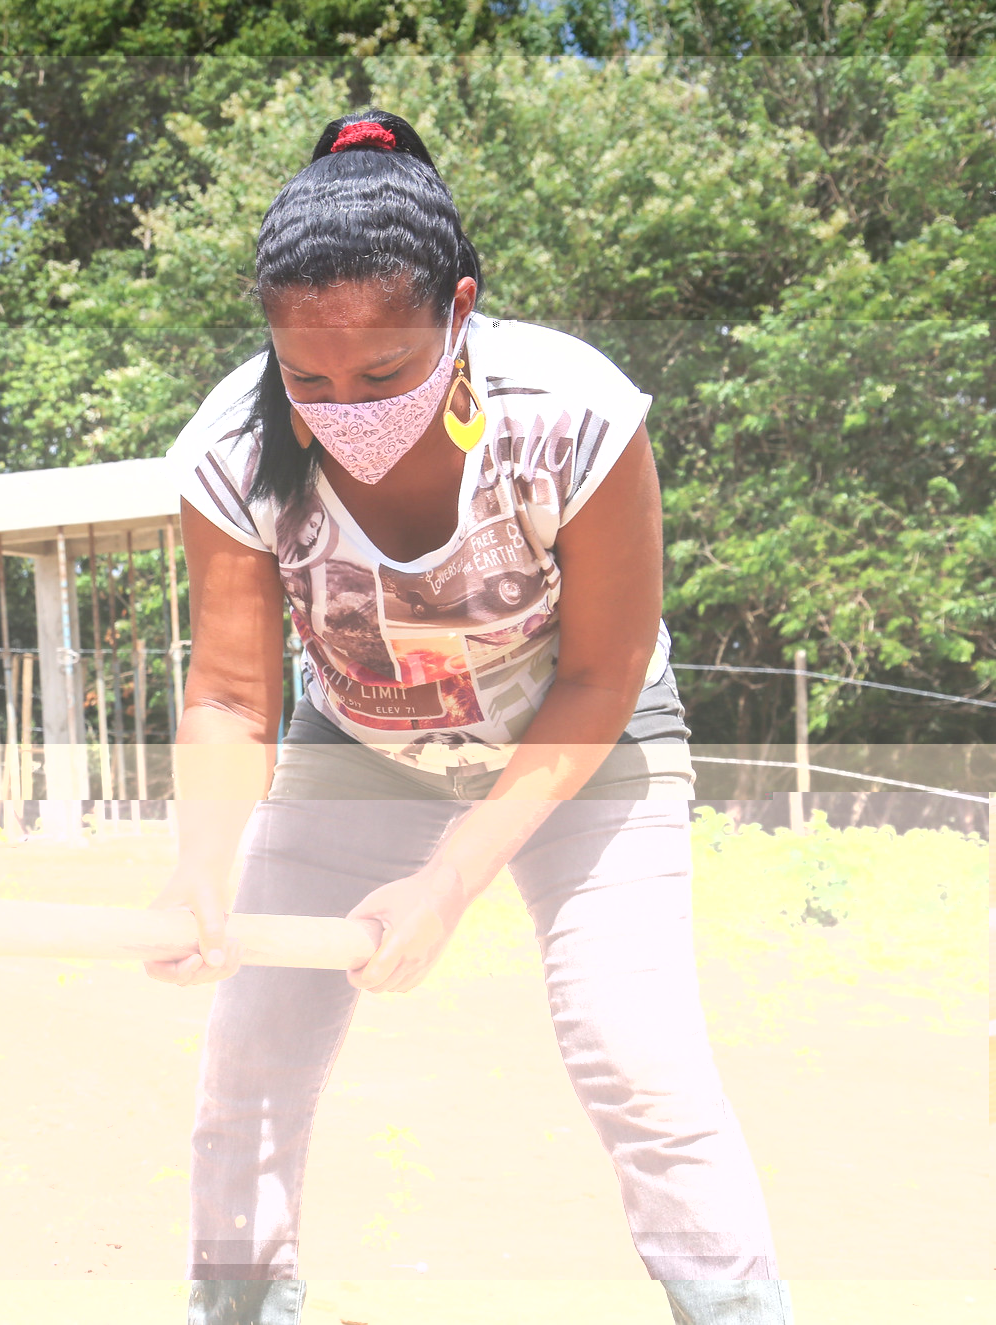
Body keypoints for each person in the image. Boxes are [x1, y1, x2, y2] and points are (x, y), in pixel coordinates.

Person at [158, 110, 790, 1325]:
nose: (346, 408)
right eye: (310, 380)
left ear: (460, 308)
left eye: (384, 374)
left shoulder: (572, 414)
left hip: (583, 743)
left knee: (634, 1051)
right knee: (247, 1063)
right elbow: (232, 695)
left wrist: (445, 884)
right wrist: (198, 873)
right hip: (361, 747)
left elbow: (600, 679)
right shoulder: (230, 454)